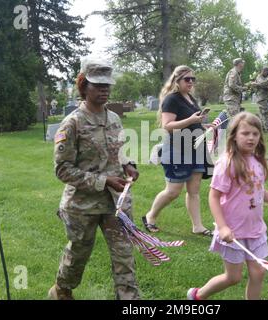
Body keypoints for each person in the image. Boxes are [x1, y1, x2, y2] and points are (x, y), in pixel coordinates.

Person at [49, 56, 141, 300]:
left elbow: (121, 152)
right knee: (78, 255)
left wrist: (129, 166)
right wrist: (103, 181)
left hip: (116, 204)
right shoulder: (72, 123)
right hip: (83, 206)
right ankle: (61, 291)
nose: (104, 90)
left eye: (107, 85)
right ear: (83, 86)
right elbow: (62, 169)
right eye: (97, 85)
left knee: (125, 258)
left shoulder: (114, 118)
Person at [187, 112, 268, 300]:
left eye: (255, 134)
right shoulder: (227, 163)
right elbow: (214, 196)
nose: (251, 138)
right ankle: (198, 295)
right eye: (245, 133)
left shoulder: (257, 162)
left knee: (259, 273)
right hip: (234, 232)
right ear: (234, 136)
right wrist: (222, 227)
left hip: (255, 230)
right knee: (233, 277)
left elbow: (259, 191)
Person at [142, 65, 214, 237]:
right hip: (177, 150)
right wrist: (191, 120)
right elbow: (168, 126)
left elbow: (190, 122)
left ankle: (197, 226)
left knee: (194, 191)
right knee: (173, 191)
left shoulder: (190, 98)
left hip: (195, 147)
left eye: (193, 79)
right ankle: (150, 216)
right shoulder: (171, 99)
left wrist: (202, 124)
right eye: (187, 79)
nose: (191, 82)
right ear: (177, 80)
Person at [250, 67, 268, 133]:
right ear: (263, 71)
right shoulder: (259, 77)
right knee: (265, 113)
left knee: (262, 113)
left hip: (266, 98)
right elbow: (262, 84)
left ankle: (262, 128)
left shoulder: (266, 78)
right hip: (261, 98)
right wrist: (267, 85)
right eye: (267, 72)